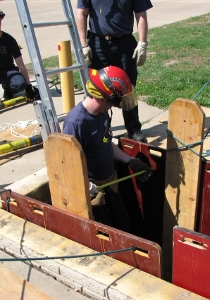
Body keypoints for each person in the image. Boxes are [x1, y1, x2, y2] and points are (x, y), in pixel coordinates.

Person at [62, 66, 154, 232]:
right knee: (108, 234)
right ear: (106, 97)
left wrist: (131, 160)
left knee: (125, 225)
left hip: (110, 183)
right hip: (94, 192)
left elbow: (105, 142)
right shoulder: (76, 123)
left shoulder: (102, 113)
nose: (117, 105)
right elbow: (67, 166)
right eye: (116, 100)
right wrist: (87, 187)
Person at [76, 0, 153, 143]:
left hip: (124, 43)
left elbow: (141, 14)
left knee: (128, 86)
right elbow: (82, 12)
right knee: (97, 88)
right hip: (97, 43)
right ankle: (99, 129)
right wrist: (83, 44)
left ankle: (134, 129)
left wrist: (143, 42)